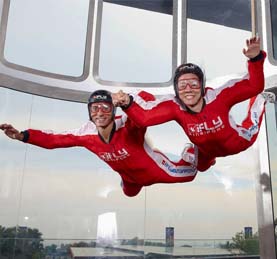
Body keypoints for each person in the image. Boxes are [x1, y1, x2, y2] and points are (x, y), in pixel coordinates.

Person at [113, 36, 276, 172]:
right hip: (205, 151)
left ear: (202, 86)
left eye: (194, 84)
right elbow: (145, 118)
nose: (189, 89)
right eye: (182, 85)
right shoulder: (175, 107)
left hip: (236, 142)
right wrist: (127, 103)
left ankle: (260, 100)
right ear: (176, 90)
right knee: (202, 168)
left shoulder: (219, 96)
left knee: (252, 124)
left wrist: (255, 59)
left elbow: (253, 86)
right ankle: (192, 152)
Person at [0, 90, 198, 197]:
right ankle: (128, 180)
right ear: (89, 112)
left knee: (190, 175)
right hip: (128, 176)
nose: (100, 112)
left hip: (156, 170)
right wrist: (22, 136)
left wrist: (127, 100)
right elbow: (55, 139)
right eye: (95, 108)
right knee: (129, 193)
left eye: (105, 107)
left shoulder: (126, 125)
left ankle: (191, 149)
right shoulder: (87, 134)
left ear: (113, 111)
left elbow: (145, 102)